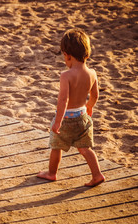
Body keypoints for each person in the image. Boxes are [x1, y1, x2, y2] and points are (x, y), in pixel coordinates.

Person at [37, 28, 105, 187]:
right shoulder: (92, 73)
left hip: (66, 119)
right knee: (85, 148)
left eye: (64, 57)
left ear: (67, 55)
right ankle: (97, 174)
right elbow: (95, 95)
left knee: (56, 146)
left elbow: (63, 100)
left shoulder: (66, 76)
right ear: (86, 55)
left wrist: (57, 122)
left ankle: (52, 173)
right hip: (82, 117)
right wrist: (89, 106)